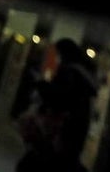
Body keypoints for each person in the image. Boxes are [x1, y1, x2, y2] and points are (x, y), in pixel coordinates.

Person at [16, 38, 98, 172]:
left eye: (59, 54)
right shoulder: (84, 76)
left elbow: (58, 98)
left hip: (60, 134)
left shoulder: (70, 72)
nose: (58, 59)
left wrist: (41, 85)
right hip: (72, 135)